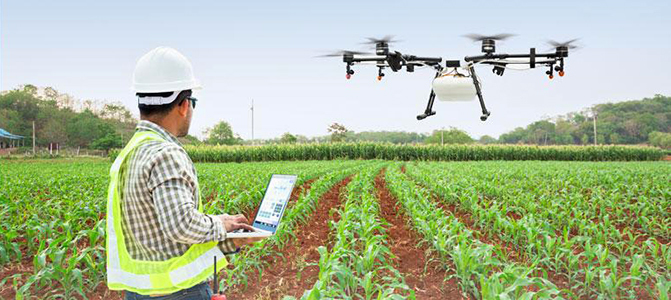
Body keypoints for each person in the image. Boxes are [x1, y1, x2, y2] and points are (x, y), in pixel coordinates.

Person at [106, 47, 263, 300]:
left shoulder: (131, 151)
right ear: (183, 105)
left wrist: (231, 240)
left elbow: (159, 241)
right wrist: (220, 224)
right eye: (193, 103)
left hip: (139, 293)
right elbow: (180, 225)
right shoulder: (164, 152)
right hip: (177, 294)